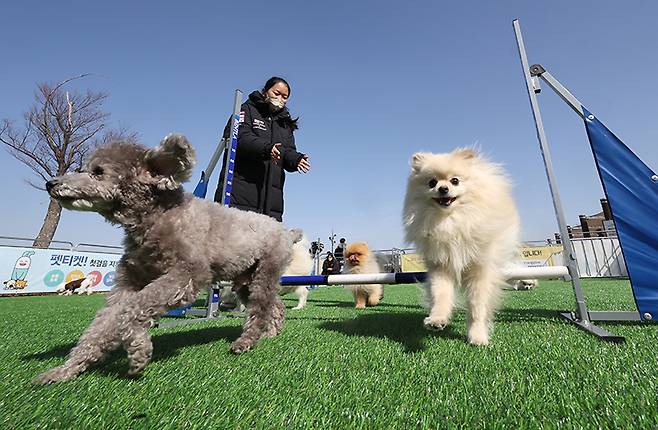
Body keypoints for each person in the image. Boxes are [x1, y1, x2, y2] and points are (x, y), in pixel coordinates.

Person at [214, 76, 311, 221]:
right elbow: (240, 138)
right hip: (240, 197)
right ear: (265, 91)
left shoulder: (285, 124)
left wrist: (295, 159)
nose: (280, 99)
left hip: (271, 204)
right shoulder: (247, 110)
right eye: (276, 93)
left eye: (284, 97)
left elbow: (287, 151)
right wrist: (266, 148)